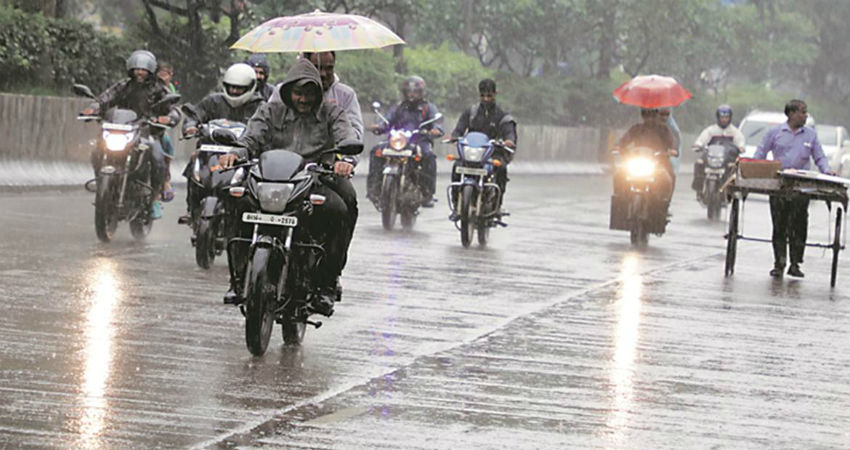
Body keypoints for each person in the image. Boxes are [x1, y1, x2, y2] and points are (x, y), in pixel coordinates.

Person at [218, 58, 358, 316]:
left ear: (318, 92)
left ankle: (326, 284)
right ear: (287, 92)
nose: (303, 99)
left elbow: (346, 136)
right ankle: (237, 280)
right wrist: (236, 153)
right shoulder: (269, 111)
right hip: (269, 181)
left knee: (342, 209)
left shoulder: (333, 112)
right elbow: (250, 137)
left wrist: (345, 160)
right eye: (298, 93)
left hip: (315, 180)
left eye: (309, 93)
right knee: (233, 199)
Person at [80, 49, 180, 220]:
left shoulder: (158, 88)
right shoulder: (123, 86)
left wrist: (168, 117)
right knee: (98, 148)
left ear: (150, 70)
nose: (139, 72)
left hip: (146, 131)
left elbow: (173, 109)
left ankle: (155, 197)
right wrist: (94, 108)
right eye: (136, 69)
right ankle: (101, 180)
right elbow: (106, 97)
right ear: (131, 69)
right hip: (121, 129)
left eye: (143, 69)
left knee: (157, 157)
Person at [754, 99, 834, 278]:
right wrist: (753, 168)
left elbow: (819, 157)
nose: (805, 115)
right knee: (779, 224)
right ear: (791, 114)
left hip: (801, 186)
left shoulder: (810, 135)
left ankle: (795, 263)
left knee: (799, 224)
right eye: (802, 112)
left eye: (806, 112)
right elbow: (760, 154)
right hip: (779, 184)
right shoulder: (774, 133)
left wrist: (827, 171)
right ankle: (779, 263)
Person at [178, 62, 264, 224]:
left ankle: (250, 215)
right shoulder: (213, 101)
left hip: (243, 157)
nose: (234, 91)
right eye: (231, 87)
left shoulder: (260, 107)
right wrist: (190, 126)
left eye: (239, 88)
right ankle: (192, 208)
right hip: (210, 150)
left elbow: (266, 128)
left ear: (251, 87)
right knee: (194, 160)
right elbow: (195, 115)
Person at [367, 76, 444, 207]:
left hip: (420, 141)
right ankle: (374, 187)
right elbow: (387, 119)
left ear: (421, 93)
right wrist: (379, 126)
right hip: (398, 140)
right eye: (409, 91)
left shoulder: (428, 108)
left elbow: (437, 123)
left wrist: (435, 130)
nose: (412, 94)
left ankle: (427, 193)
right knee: (376, 151)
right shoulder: (398, 107)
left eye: (415, 91)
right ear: (405, 92)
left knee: (429, 156)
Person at [450, 78, 517, 209]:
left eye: (489, 95)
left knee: (501, 169)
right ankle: (456, 202)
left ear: (495, 94)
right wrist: (455, 136)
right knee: (456, 166)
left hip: (493, 154)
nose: (486, 98)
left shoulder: (502, 115)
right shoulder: (471, 113)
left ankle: (497, 205)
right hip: (471, 153)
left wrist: (509, 140)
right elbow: (459, 128)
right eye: (483, 95)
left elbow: (509, 132)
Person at [614, 108, 677, 214]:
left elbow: (672, 144)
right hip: (636, 161)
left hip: (658, 163)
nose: (649, 119)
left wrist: (672, 150)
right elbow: (624, 140)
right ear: (643, 116)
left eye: (652, 115)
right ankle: (620, 199)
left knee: (669, 176)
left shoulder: (663, 130)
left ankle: (664, 204)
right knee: (619, 174)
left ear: (656, 116)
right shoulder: (636, 129)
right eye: (646, 115)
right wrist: (619, 147)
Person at [691, 104, 745, 192]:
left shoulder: (734, 132)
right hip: (711, 157)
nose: (724, 120)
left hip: (727, 159)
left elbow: (740, 142)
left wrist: (741, 147)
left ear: (730, 118)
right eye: (722, 117)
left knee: (734, 167)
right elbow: (702, 140)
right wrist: (698, 145)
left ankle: (732, 190)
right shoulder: (711, 130)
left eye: (726, 117)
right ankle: (699, 187)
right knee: (699, 163)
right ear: (718, 117)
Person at [156, 61, 178, 203]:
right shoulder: (146, 86)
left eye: (166, 74)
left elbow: (173, 109)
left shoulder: (168, 90)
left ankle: (164, 180)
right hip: (133, 125)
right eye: (161, 74)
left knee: (165, 144)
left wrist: (168, 118)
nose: (163, 77)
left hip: (155, 127)